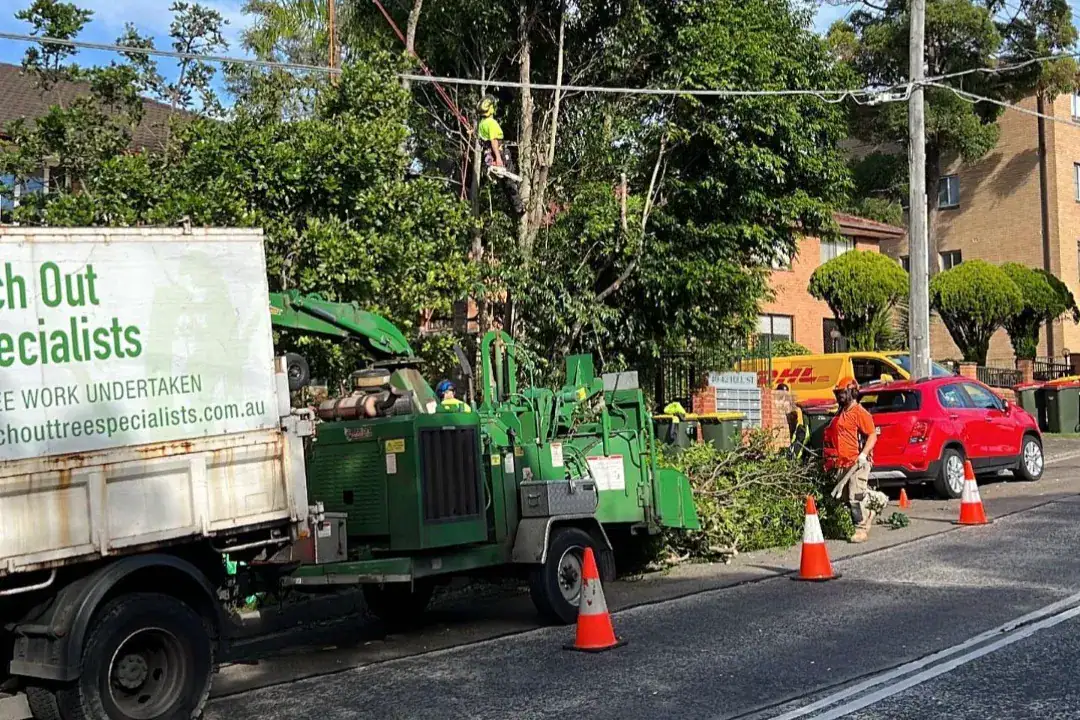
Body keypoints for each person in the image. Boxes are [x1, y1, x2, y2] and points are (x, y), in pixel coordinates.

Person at [826, 377, 887, 543]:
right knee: (845, 498)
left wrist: (863, 455)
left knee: (855, 497)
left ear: (852, 392)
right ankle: (874, 503)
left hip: (857, 463)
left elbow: (872, 435)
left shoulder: (860, 413)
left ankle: (860, 529)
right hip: (843, 462)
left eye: (842, 393)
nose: (840, 396)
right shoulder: (842, 412)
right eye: (838, 393)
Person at [477, 95, 525, 216]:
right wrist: (498, 158)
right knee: (510, 179)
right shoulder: (491, 123)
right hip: (499, 153)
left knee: (505, 183)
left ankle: (514, 208)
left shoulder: (481, 124)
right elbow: (493, 141)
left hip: (488, 156)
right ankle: (519, 208)